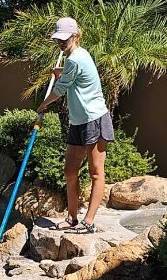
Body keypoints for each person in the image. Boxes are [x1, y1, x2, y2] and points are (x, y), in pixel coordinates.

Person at [38, 17, 114, 233]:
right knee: (70, 172)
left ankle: (88, 222)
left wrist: (42, 106)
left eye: (66, 38)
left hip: (94, 119)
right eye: (58, 39)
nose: (61, 43)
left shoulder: (76, 59)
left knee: (96, 172)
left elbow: (61, 90)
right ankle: (72, 218)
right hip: (78, 122)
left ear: (76, 36)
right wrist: (61, 72)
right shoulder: (76, 57)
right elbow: (75, 76)